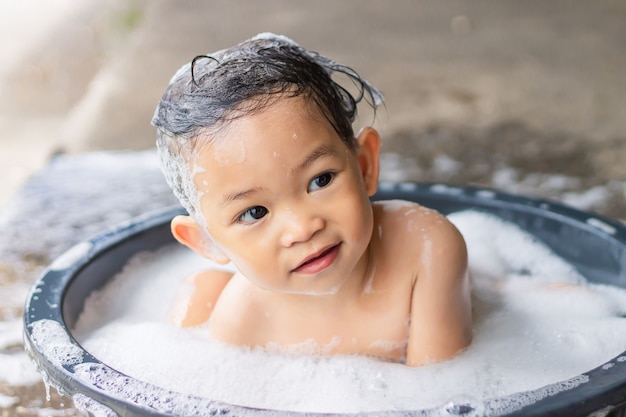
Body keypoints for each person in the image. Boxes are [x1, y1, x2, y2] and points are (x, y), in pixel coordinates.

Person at [151, 33, 471, 366]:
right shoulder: (242, 320)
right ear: (207, 241)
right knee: (198, 301)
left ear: (364, 166)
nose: (303, 228)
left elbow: (443, 394)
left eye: (321, 180)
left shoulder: (425, 249)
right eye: (254, 212)